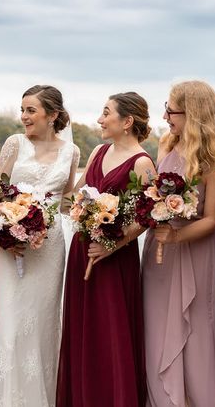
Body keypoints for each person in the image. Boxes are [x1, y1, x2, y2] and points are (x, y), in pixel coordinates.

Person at [57, 92, 155, 407]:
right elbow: (75, 197)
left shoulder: (142, 162)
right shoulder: (99, 150)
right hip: (83, 250)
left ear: (127, 122)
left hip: (114, 258)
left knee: (110, 332)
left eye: (106, 113)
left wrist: (113, 244)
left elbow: (147, 217)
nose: (100, 119)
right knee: (82, 329)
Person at [0, 85, 80, 407]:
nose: (23, 117)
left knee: (41, 325)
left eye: (31, 111)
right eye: (22, 110)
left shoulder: (72, 152)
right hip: (8, 247)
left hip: (49, 247)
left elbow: (67, 200)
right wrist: (5, 230)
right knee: (10, 325)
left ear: (52, 115)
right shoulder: (14, 144)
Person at [142, 81, 215, 406]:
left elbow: (212, 219)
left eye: (171, 110)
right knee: (155, 327)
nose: (165, 116)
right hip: (159, 254)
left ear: (192, 114)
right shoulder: (166, 145)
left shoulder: (214, 158)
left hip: (194, 251)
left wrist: (177, 234)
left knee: (195, 332)